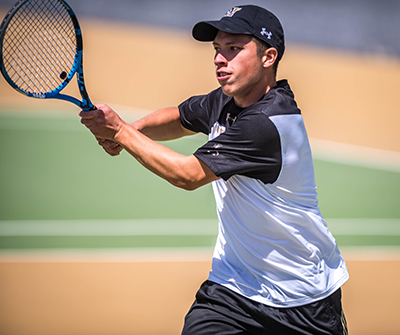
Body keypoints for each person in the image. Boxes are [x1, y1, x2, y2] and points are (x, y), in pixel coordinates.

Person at [80, 5, 349, 335]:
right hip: (231, 288)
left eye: (234, 49)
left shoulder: (267, 124)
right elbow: (181, 117)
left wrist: (121, 132)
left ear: (269, 57)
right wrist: (132, 130)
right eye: (217, 49)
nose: (220, 59)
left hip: (301, 300)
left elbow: (187, 174)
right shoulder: (228, 99)